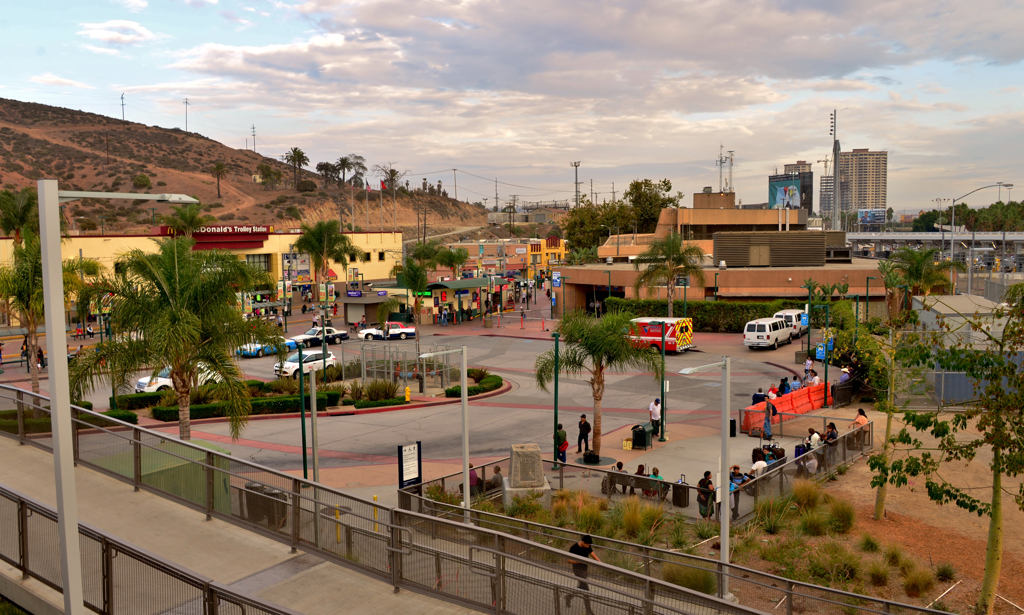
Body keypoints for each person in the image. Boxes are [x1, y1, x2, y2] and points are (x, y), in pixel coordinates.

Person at [565, 535, 600, 615]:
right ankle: (588, 611)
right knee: (586, 590)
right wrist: (580, 561)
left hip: (584, 570)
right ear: (583, 542)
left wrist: (601, 564)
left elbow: (594, 556)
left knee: (582, 587)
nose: (589, 546)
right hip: (577, 570)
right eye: (587, 544)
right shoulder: (574, 548)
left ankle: (569, 596)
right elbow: (568, 560)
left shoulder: (588, 546)